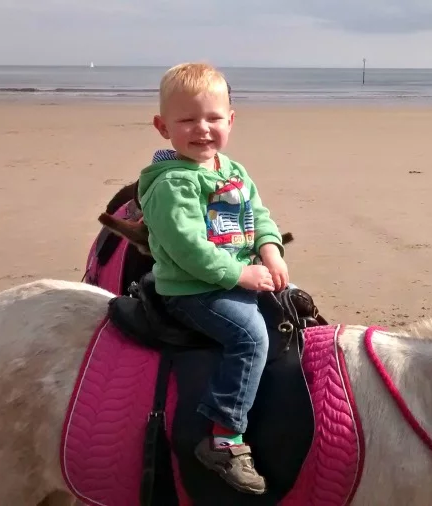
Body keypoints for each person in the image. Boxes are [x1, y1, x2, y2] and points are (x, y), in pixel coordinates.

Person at [137, 62, 287, 495]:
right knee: (251, 337)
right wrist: (240, 274)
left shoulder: (232, 170)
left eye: (213, 118)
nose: (202, 129)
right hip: (193, 288)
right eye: (187, 120)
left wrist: (270, 250)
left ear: (231, 121)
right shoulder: (173, 185)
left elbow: (258, 215)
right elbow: (188, 250)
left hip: (239, 273)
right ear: (163, 127)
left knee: (295, 306)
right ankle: (225, 436)